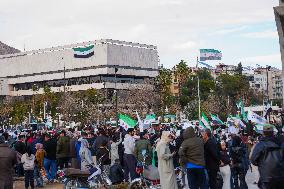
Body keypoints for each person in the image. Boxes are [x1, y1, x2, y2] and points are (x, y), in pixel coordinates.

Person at [250, 124, 284, 189]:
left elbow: (253, 160)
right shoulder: (281, 143)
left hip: (266, 177)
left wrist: (261, 164)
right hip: (280, 176)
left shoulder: (260, 145)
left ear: (263, 133)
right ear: (273, 132)